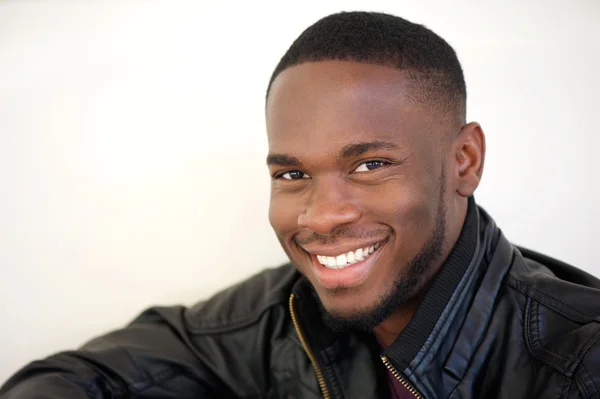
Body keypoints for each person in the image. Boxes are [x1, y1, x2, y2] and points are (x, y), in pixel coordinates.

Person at [1, 10, 599, 399]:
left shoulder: (579, 362)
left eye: (369, 165)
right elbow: (83, 378)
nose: (320, 216)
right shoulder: (279, 314)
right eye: (292, 173)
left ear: (464, 161)